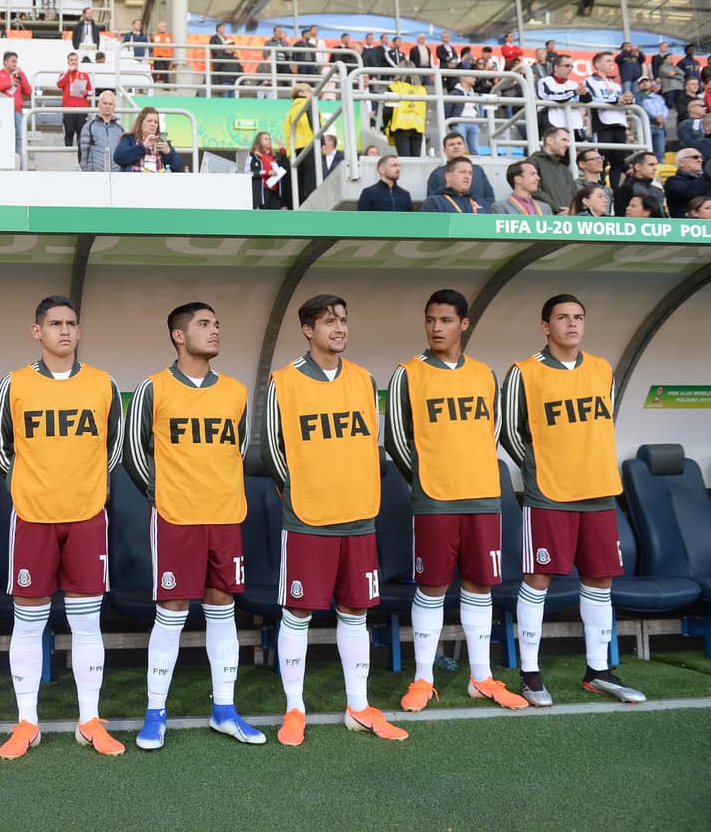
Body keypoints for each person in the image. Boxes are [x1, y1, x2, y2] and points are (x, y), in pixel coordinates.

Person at [262, 294, 407, 745]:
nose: (339, 328)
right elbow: (272, 451)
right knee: (299, 611)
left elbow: (373, 447)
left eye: (343, 320)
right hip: (309, 518)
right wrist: (302, 495)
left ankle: (358, 706)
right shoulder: (282, 382)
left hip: (360, 517)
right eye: (329, 321)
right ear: (308, 330)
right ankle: (295, 708)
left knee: (355, 610)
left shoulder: (364, 379)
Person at [0, 296, 125, 758]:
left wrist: (84, 487)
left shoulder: (103, 383)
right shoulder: (15, 384)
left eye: (71, 323)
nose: (64, 331)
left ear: (80, 330)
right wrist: (34, 486)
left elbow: (115, 448)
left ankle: (89, 720)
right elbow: (0, 450)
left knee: (88, 622)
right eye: (54, 323)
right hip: (32, 516)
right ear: (37, 331)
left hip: (87, 515)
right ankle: (28, 722)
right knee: (28, 623)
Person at [125, 302, 264, 750]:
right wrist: (163, 494)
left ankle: (224, 709)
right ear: (179, 336)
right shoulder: (154, 387)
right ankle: (155, 712)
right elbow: (132, 451)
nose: (215, 330)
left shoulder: (237, 391)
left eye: (217, 324)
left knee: (223, 607)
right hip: (176, 517)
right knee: (172, 612)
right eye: (204, 324)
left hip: (225, 516)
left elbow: (237, 449)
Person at [500, 295, 645, 707]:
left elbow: (602, 424)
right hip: (550, 494)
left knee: (600, 579)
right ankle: (530, 674)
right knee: (538, 579)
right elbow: (510, 432)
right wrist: (542, 468)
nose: (572, 324)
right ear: (545, 326)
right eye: (562, 318)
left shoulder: (602, 368)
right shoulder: (524, 372)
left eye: (579, 317)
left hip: (598, 491)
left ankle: (598, 671)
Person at [386, 291, 527, 714]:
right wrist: (428, 481)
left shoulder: (485, 374)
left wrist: (475, 476)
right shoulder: (407, 374)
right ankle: (423, 679)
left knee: (480, 585)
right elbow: (396, 437)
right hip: (436, 500)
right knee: (431, 587)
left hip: (484, 498)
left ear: (463, 324)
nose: (436, 328)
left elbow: (494, 432)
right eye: (430, 320)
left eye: (446, 320)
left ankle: (480, 678)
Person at [582, 51, 634, 189]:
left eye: (612, 61)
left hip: (620, 124)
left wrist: (628, 99)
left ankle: (615, 191)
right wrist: (617, 99)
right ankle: (600, 188)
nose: (612, 64)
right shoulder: (588, 81)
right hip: (602, 125)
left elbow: (621, 101)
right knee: (600, 161)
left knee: (618, 162)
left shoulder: (616, 84)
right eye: (608, 61)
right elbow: (592, 99)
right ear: (597, 64)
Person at [425, 132, 495, 210]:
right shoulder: (436, 174)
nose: (456, 146)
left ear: (464, 148)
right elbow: (432, 203)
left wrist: (484, 211)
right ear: (444, 150)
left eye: (459, 143)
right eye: (451, 144)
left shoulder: (478, 170)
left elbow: (489, 197)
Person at [114, 106, 184, 172]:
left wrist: (169, 152)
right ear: (140, 122)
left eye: (156, 122)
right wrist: (143, 146)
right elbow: (118, 158)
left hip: (159, 183)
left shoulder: (162, 142)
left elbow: (178, 167)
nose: (153, 124)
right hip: (134, 182)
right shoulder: (129, 138)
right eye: (149, 121)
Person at [0, 51, 31, 156]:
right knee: (2, 136)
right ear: (5, 62)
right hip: (1, 111)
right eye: (13, 61)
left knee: (19, 138)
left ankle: (19, 164)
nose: (15, 64)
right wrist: (9, 84)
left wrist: (21, 74)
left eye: (16, 61)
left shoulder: (19, 75)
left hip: (17, 111)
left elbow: (28, 91)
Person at [529, 127, 574, 215]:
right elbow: (534, 190)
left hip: (569, 219)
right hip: (545, 218)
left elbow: (575, 194)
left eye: (567, 141)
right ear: (550, 140)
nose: (567, 144)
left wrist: (572, 209)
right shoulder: (533, 162)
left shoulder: (565, 170)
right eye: (563, 140)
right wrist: (559, 209)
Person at [79, 89, 125, 172]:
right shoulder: (89, 127)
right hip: (94, 177)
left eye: (110, 104)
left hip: (116, 176)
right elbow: (82, 153)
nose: (107, 106)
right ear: (99, 105)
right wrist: (87, 172)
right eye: (105, 103)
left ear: (114, 107)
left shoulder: (120, 129)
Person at [386, 72, 427, 157]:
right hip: (418, 128)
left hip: (401, 127)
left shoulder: (394, 86)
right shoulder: (422, 89)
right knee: (415, 161)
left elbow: (388, 110)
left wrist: (385, 124)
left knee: (405, 160)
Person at [57, 51, 93, 147]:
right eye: (71, 60)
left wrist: (86, 92)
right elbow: (59, 84)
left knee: (82, 134)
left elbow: (92, 91)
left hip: (81, 109)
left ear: (78, 62)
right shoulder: (63, 74)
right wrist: (69, 71)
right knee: (68, 132)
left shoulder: (84, 75)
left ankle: (81, 157)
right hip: (68, 108)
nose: (73, 62)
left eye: (75, 60)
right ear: (68, 62)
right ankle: (67, 155)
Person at [614, 151, 664, 216]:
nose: (655, 168)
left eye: (656, 165)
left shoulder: (657, 189)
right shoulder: (627, 188)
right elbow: (621, 215)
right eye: (651, 164)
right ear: (637, 167)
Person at [445, 74, 483, 156]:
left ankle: (475, 167)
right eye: (472, 76)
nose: (474, 78)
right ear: (463, 78)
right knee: (459, 149)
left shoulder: (474, 94)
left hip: (473, 122)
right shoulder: (454, 93)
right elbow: (448, 109)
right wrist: (453, 123)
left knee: (475, 149)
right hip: (460, 122)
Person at [665, 149, 711, 217]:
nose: (700, 160)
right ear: (681, 163)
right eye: (695, 157)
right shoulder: (672, 181)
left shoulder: (705, 180)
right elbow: (690, 193)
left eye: (702, 157)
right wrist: (707, 174)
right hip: (683, 225)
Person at [248, 131, 285, 210]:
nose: (269, 141)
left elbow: (285, 166)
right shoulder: (252, 155)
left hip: (274, 192)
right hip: (262, 191)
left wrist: (281, 147)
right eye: (266, 139)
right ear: (259, 141)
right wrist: (267, 172)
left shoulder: (272, 157)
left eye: (270, 139)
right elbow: (248, 172)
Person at [574, 149, 614, 213]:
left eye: (601, 158)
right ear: (582, 164)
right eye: (595, 159)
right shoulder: (574, 186)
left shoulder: (608, 189)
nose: (600, 161)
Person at [639, 77, 668, 158]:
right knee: (646, 153)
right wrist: (655, 118)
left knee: (660, 152)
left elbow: (664, 109)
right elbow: (641, 109)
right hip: (647, 127)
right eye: (642, 82)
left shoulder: (659, 97)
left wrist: (662, 117)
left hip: (660, 127)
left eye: (646, 81)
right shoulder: (638, 96)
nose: (644, 84)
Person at [208, 22, 238, 98]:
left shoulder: (225, 38)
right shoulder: (213, 38)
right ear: (218, 29)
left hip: (232, 79)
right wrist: (222, 54)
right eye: (222, 28)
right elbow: (213, 49)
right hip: (219, 59)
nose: (223, 30)